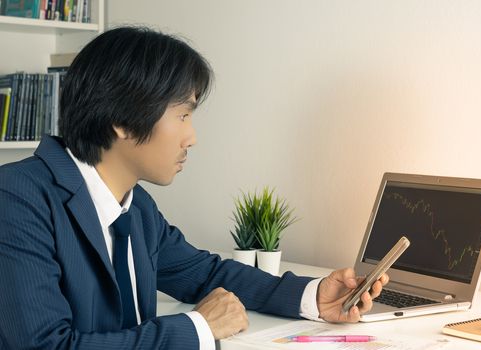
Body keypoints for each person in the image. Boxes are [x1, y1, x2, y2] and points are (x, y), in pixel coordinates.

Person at [0, 27, 388, 350]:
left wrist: (313, 297)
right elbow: (46, 345)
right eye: (183, 114)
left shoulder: (136, 207)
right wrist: (199, 327)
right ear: (121, 118)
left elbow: (204, 273)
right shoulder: (16, 199)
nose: (192, 137)